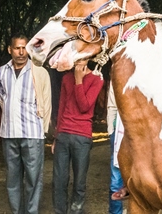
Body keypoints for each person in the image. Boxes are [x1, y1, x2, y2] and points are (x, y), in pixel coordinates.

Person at [0, 34, 51, 214]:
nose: (21, 52)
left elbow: (47, 102)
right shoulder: (2, 72)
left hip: (33, 133)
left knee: (34, 178)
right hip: (9, 133)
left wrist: (44, 129)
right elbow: (3, 100)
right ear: (9, 50)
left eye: (24, 48)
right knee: (12, 178)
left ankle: (32, 211)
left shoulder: (39, 71)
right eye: (17, 48)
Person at [52, 59, 104, 214]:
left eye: (82, 56)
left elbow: (84, 106)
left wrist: (79, 80)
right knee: (59, 181)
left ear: (88, 58)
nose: (78, 60)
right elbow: (61, 107)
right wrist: (56, 136)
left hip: (82, 137)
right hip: (63, 135)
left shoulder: (97, 78)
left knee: (79, 183)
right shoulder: (66, 78)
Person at [107, 83, 127, 213]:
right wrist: (111, 131)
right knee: (116, 182)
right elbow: (112, 105)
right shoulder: (118, 72)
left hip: (141, 135)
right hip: (119, 133)